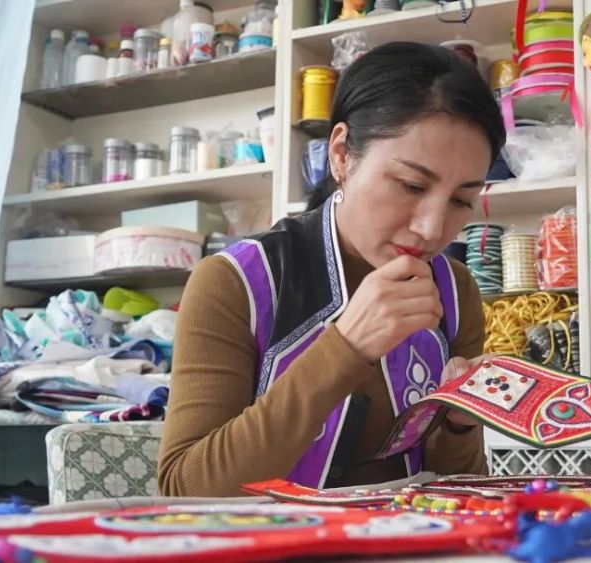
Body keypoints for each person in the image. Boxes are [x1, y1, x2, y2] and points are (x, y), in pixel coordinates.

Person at [158, 42, 506, 497]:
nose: (432, 228)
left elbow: (460, 490)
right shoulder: (236, 282)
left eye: (461, 200)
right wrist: (344, 349)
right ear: (341, 154)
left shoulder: (454, 290)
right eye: (411, 185)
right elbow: (184, 492)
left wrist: (459, 423)